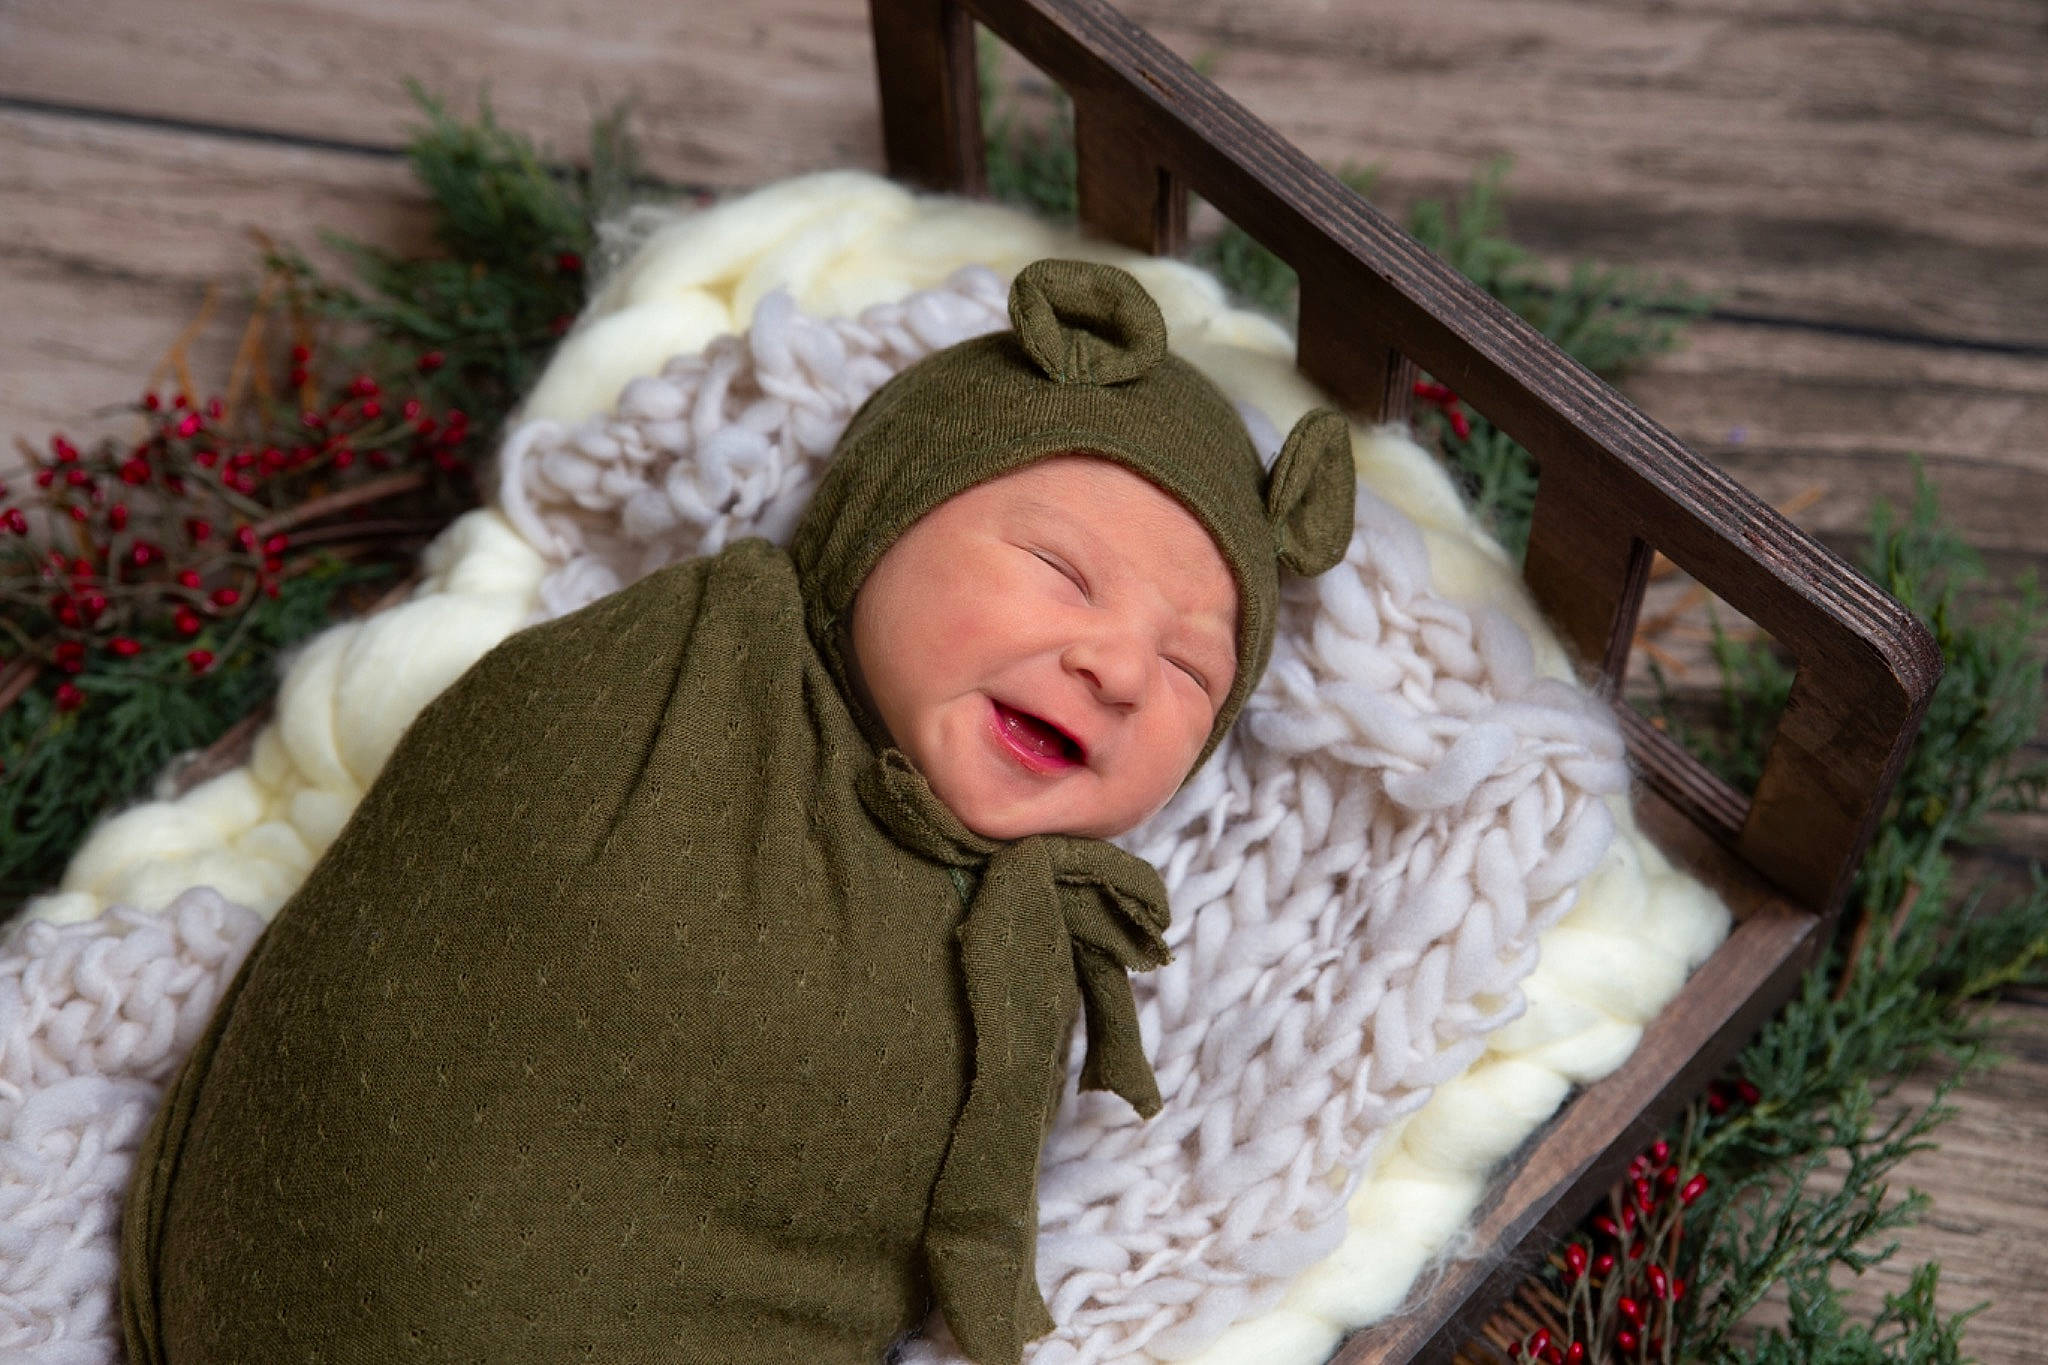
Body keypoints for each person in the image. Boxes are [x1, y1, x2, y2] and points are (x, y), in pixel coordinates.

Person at [118, 259, 1356, 1365]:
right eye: (1059, 572)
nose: (1122, 669)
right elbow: (461, 888)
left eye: (1192, 672)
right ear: (881, 514)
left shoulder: (1027, 946)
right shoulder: (675, 669)